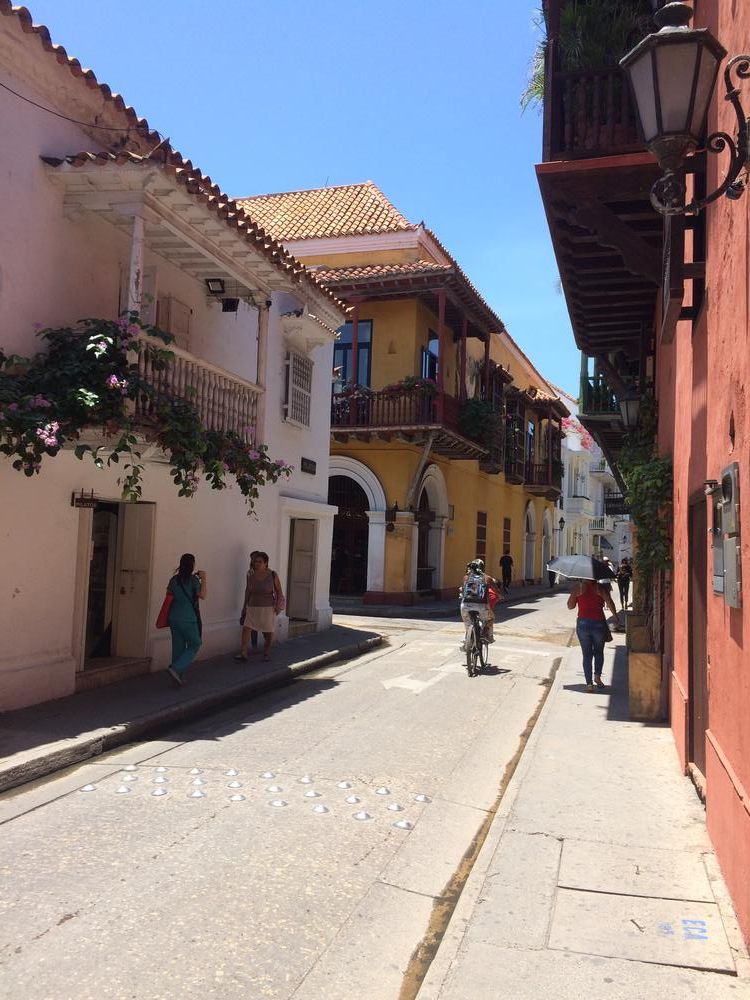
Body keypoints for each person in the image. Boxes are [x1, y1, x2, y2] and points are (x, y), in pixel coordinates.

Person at [567, 578, 617, 692]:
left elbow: (570, 606)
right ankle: (597, 677)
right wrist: (616, 617)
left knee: (586, 654)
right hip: (598, 623)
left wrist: (574, 594)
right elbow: (610, 603)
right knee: (599, 652)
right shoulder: (600, 588)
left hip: (583, 624)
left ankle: (589, 684)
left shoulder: (577, 588)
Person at [165, 553, 206, 687]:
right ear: (192, 565)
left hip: (173, 617)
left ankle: (177, 678)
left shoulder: (174, 580)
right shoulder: (193, 581)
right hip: (188, 618)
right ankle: (176, 669)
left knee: (178, 647)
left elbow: (168, 595)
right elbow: (203, 595)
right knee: (195, 643)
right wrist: (204, 578)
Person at [235, 551, 284, 662]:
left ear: (266, 563)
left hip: (268, 607)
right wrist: (244, 607)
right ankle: (244, 653)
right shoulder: (250, 574)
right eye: (256, 561)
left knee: (267, 632)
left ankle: (266, 652)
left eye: (260, 562)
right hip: (252, 606)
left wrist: (278, 606)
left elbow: (279, 591)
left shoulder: (272, 575)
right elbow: (248, 590)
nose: (257, 563)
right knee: (246, 628)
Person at [459, 558, 496, 652]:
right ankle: (487, 636)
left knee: (468, 624)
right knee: (490, 618)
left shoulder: (466, 577)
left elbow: (462, 590)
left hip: (465, 605)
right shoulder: (487, 578)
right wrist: (500, 595)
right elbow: (496, 590)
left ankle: (467, 640)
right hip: (482, 605)